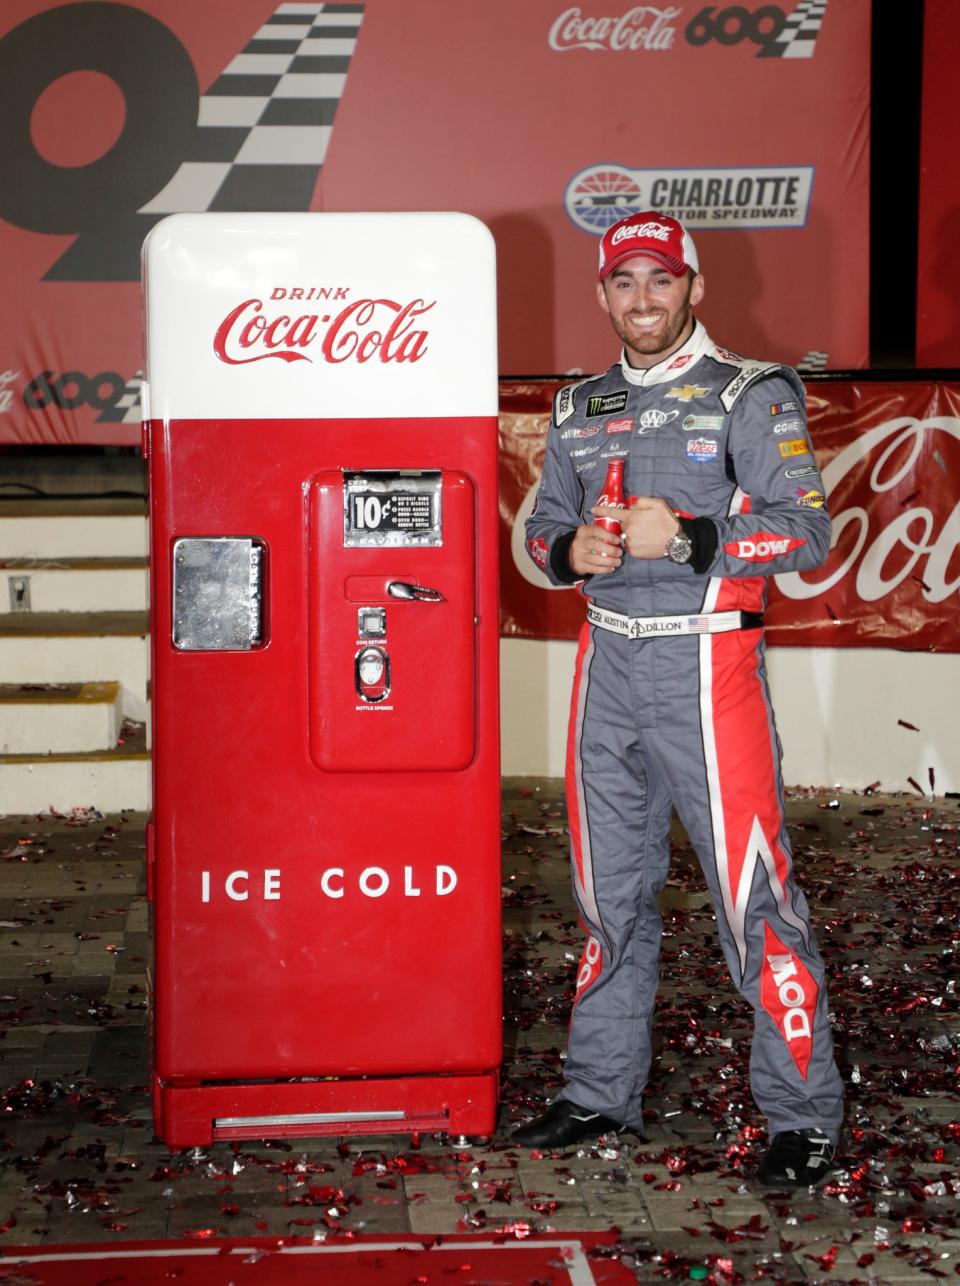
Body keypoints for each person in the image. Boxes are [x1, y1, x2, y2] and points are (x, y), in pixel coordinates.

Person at [514, 212, 843, 1189]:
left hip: (708, 670)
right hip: (606, 666)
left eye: (662, 280)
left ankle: (803, 1115)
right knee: (606, 900)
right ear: (604, 294)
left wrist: (694, 538)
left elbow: (808, 532)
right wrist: (570, 552)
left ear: (693, 285)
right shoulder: (580, 403)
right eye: (625, 283)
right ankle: (597, 1089)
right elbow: (537, 535)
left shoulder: (751, 390)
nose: (643, 299)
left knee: (754, 901)